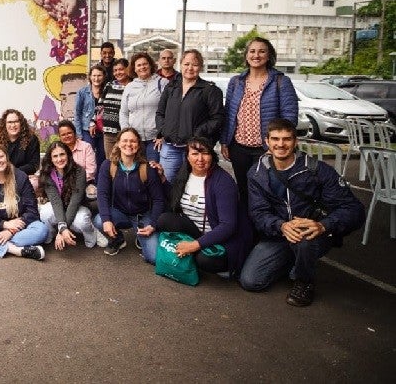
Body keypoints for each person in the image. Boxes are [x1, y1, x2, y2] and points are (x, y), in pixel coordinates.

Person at [240, 118, 365, 307]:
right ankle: (294, 261)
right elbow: (258, 212)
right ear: (267, 141)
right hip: (280, 234)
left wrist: (323, 225)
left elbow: (354, 209)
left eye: (287, 139)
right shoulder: (257, 173)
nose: (281, 144)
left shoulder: (318, 170)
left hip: (312, 233)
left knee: (305, 242)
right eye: (275, 139)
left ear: (295, 141)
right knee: (251, 281)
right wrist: (281, 226)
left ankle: (304, 281)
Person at [157, 137, 254, 278]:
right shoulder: (185, 173)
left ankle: (200, 256)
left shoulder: (223, 181)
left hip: (221, 239)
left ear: (212, 156)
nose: (200, 159)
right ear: (187, 156)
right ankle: (191, 252)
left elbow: (228, 226)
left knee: (204, 260)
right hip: (197, 232)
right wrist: (163, 180)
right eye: (195, 154)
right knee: (164, 219)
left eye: (205, 153)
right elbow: (174, 200)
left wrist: (195, 245)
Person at [221, 37, 298, 211]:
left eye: (262, 51)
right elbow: (228, 114)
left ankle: (270, 226)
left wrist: (277, 144)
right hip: (238, 148)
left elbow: (290, 117)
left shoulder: (281, 81)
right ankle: (247, 227)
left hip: (267, 149)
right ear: (246, 55)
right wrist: (225, 141)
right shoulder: (236, 82)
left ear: (269, 55)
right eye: (252, 51)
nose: (256, 55)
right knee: (244, 191)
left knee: (269, 192)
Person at [94, 127, 165, 263]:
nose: (129, 144)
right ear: (118, 143)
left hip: (143, 216)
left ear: (138, 145)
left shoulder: (147, 168)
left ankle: (140, 236)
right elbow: (102, 194)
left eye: (133, 141)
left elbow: (158, 199)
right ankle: (118, 239)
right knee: (99, 220)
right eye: (125, 141)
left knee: (154, 257)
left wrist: (153, 224)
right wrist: (107, 220)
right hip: (119, 213)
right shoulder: (108, 165)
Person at [155, 49, 224, 183]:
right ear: (180, 65)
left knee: (194, 184)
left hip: (196, 149)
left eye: (195, 65)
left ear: (201, 67)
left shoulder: (210, 90)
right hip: (170, 148)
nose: (190, 68)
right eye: (186, 64)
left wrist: (198, 133)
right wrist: (164, 130)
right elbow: (160, 113)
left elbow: (217, 118)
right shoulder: (171, 87)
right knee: (166, 184)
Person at [37, 141, 107, 250]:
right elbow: (55, 201)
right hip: (59, 206)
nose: (59, 159)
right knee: (45, 213)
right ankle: (50, 236)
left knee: (82, 221)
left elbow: (75, 201)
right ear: (50, 159)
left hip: (78, 207)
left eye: (62, 154)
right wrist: (63, 228)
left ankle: (92, 234)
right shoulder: (47, 174)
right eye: (55, 156)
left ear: (68, 155)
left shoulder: (79, 171)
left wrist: (62, 230)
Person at [119, 52, 169, 162]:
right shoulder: (130, 87)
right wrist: (126, 134)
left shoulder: (163, 83)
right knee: (135, 170)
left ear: (150, 65)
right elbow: (123, 113)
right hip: (134, 140)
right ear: (134, 69)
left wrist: (163, 135)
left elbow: (170, 112)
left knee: (152, 168)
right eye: (139, 65)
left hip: (155, 139)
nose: (142, 67)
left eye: (145, 64)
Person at [95, 58, 130, 160]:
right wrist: (93, 121)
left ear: (127, 69)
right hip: (108, 132)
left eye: (121, 69)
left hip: (125, 133)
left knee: (125, 161)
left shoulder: (133, 86)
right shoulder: (109, 85)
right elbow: (100, 105)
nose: (118, 73)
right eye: (115, 70)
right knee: (110, 162)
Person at [0, 109, 41, 176]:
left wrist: (13, 172)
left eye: (16, 121)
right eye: (10, 122)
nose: (13, 125)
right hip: (0, 176)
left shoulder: (32, 139)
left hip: (23, 176)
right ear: (4, 124)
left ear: (21, 123)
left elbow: (34, 164)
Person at [74, 64, 106, 165]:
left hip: (103, 130)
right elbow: (77, 114)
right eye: (94, 75)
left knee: (102, 158)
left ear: (104, 76)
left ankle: (100, 176)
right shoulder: (82, 92)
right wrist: (79, 134)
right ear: (90, 76)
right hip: (87, 131)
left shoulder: (107, 91)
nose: (96, 78)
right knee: (88, 158)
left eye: (99, 75)